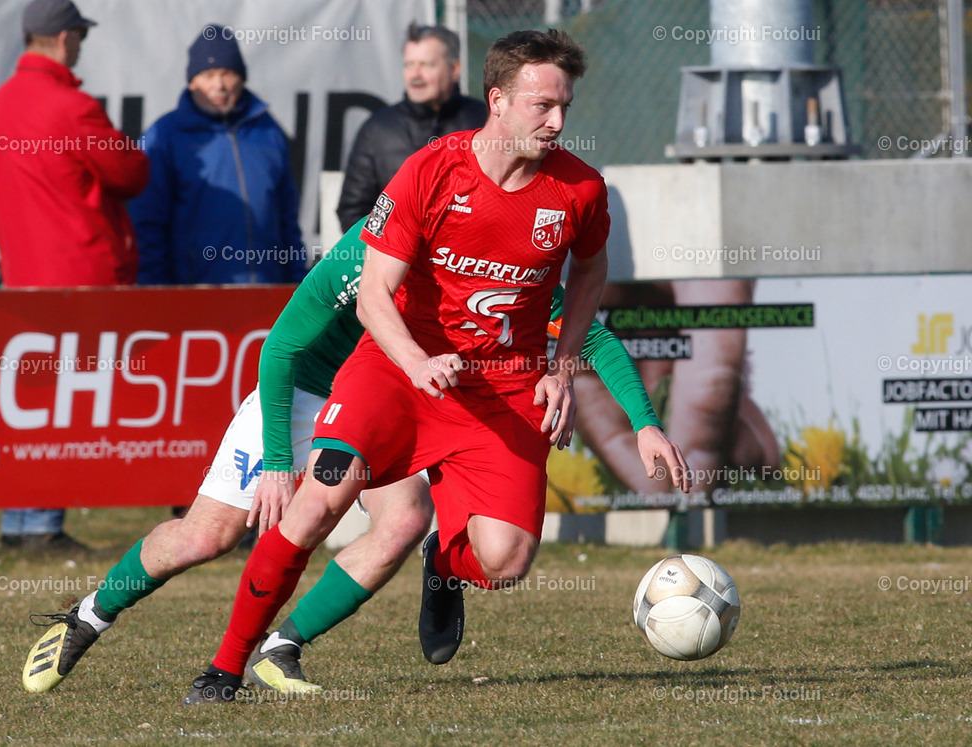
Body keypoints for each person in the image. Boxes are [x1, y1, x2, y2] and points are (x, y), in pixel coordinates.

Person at [184, 29, 690, 703]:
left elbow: (592, 274)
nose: (558, 121)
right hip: (397, 374)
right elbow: (371, 295)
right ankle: (223, 668)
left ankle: (442, 563)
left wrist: (577, 377)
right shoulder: (430, 170)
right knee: (316, 504)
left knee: (506, 560)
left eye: (565, 105)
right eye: (542, 105)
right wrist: (416, 361)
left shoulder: (580, 190)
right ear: (498, 100)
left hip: (501, 389)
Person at [20, 220, 683, 695]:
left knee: (401, 521)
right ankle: (87, 618)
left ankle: (282, 649)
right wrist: (280, 458)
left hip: (393, 396)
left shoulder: (484, 253)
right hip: (307, 394)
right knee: (208, 534)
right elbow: (279, 348)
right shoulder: (365, 250)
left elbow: (587, 332)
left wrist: (643, 420)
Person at [0, 0, 149, 552]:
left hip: (24, 271)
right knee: (65, 400)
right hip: (79, 270)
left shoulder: (2, 104)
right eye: (79, 35)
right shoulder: (70, 105)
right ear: (62, 38)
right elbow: (130, 171)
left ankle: (20, 521)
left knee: (35, 396)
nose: (80, 45)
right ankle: (40, 526)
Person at [129, 24, 305, 285]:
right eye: (208, 75)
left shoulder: (268, 131)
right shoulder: (165, 135)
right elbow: (147, 225)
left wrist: (298, 284)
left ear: (242, 78)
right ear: (191, 82)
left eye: (227, 73)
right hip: (195, 297)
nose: (219, 85)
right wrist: (157, 294)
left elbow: (287, 221)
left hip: (269, 292)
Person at [336, 22, 486, 232]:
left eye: (426, 65)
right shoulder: (378, 128)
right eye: (409, 65)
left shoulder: (484, 121)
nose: (415, 75)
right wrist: (392, 254)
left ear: (454, 69)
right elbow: (353, 210)